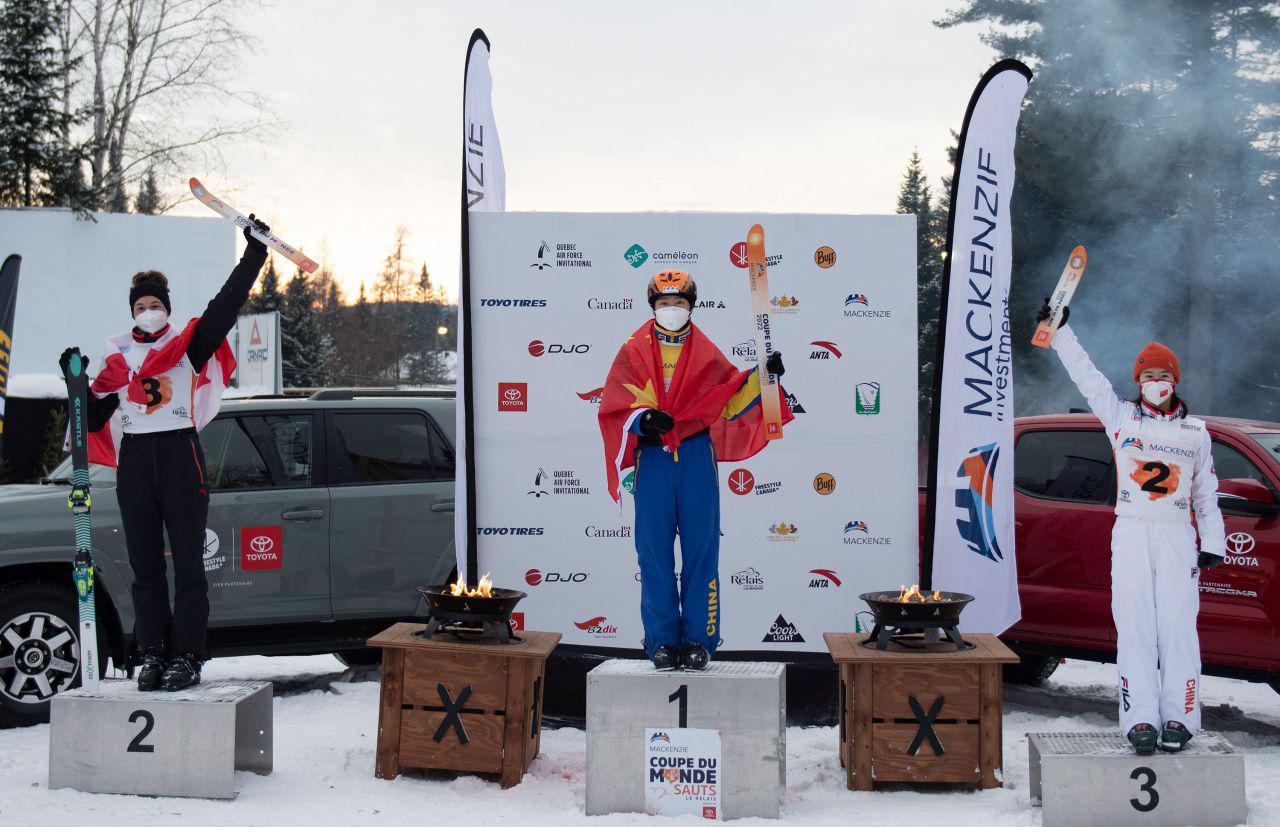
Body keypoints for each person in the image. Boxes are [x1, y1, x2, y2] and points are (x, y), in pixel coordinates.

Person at [60, 216, 271, 691]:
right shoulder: (119, 361)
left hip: (179, 453)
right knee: (145, 566)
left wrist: (254, 254)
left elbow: (226, 305)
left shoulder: (187, 346)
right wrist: (75, 384)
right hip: (136, 460)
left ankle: (189, 655)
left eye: (156, 304)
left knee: (190, 566)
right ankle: (151, 652)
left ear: (167, 309)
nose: (148, 311)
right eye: (141, 305)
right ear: (132, 311)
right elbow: (91, 420)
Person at [1037, 299, 1225, 754]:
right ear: (1137, 382)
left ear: (1174, 381)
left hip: (1177, 534)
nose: (1154, 383)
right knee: (1135, 625)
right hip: (1133, 530)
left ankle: (1181, 717)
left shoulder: (1196, 432)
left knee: (1178, 627)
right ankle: (1139, 717)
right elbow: (1087, 378)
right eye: (1146, 376)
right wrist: (1060, 332)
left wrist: (1213, 540)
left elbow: (1206, 492)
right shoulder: (1121, 418)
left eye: (1162, 376)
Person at [598, 269, 791, 671]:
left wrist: (763, 377)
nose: (672, 310)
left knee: (702, 551)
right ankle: (662, 642)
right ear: (653, 306)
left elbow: (729, 399)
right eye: (664, 303)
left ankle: (701, 640)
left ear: (692, 306)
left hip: (695, 456)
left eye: (680, 303)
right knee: (653, 553)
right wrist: (643, 419)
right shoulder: (633, 349)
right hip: (653, 459)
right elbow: (617, 401)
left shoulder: (705, 351)